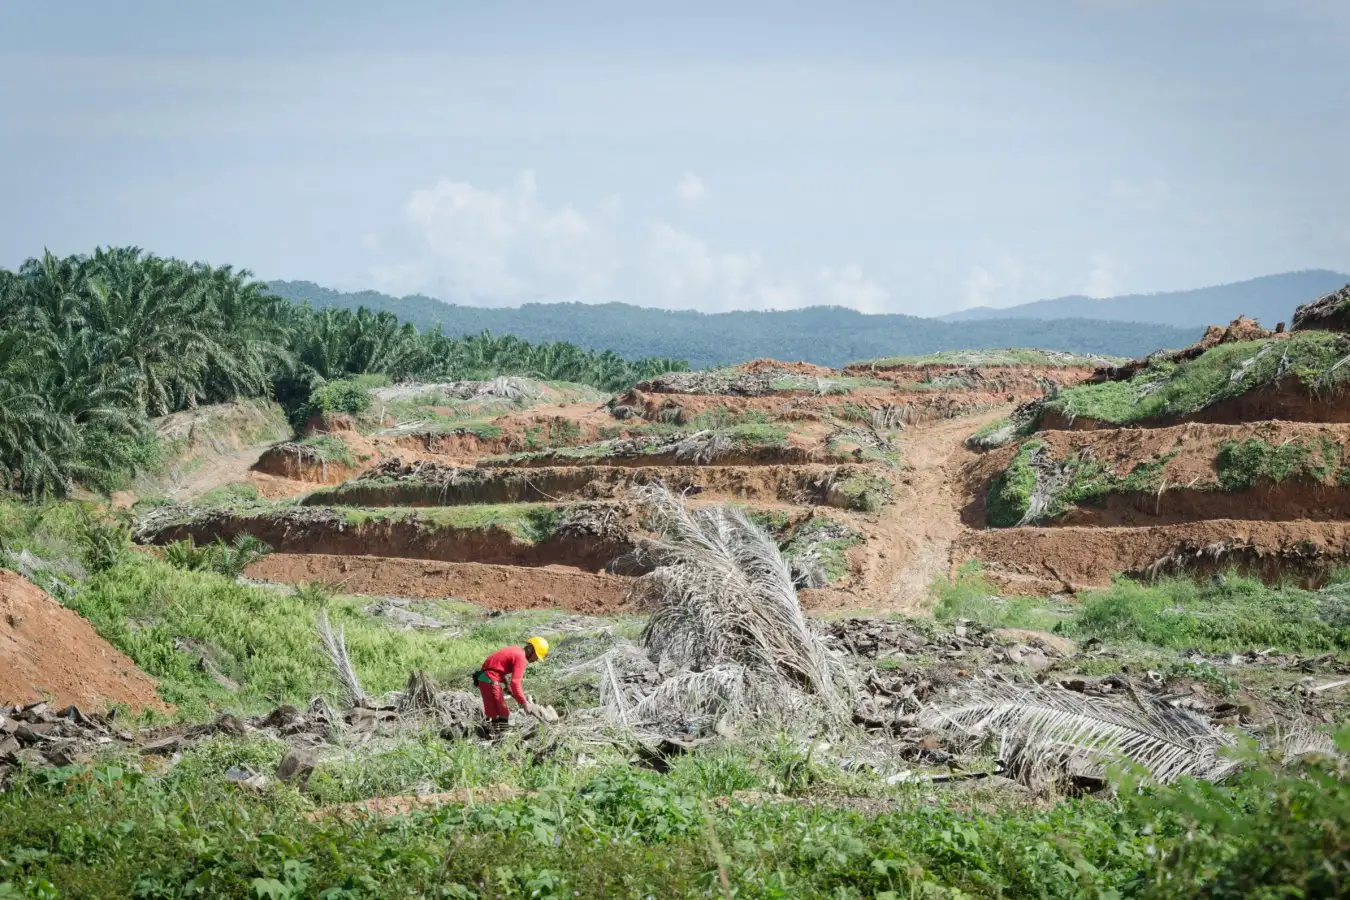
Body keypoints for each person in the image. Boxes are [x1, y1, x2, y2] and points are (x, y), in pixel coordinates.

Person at [474, 636, 549, 728]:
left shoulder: (517, 650)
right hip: (489, 679)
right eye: (536, 656)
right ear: (530, 649)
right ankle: (499, 738)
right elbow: (515, 682)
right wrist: (524, 703)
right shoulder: (521, 657)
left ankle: (492, 734)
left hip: (484, 677)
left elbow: (496, 667)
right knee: (502, 714)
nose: (536, 660)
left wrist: (506, 684)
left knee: (494, 713)